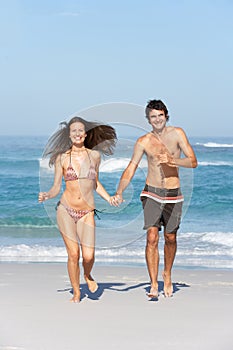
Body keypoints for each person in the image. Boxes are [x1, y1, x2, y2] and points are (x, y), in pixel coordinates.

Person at [115, 99, 197, 298]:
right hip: (151, 192)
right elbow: (131, 167)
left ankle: (167, 273)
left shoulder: (178, 133)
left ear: (166, 116)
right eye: (153, 116)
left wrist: (172, 160)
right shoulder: (143, 141)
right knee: (152, 237)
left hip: (173, 193)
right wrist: (119, 191)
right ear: (148, 119)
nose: (158, 119)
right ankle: (153, 283)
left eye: (161, 115)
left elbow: (193, 161)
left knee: (171, 238)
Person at [38, 116, 118, 303]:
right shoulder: (62, 158)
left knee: (88, 256)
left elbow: (96, 183)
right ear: (69, 134)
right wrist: (48, 195)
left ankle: (88, 275)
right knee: (73, 254)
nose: (77, 133)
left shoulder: (95, 156)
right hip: (66, 209)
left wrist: (109, 198)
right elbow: (57, 186)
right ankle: (76, 292)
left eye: (80, 130)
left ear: (86, 133)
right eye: (73, 131)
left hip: (87, 211)